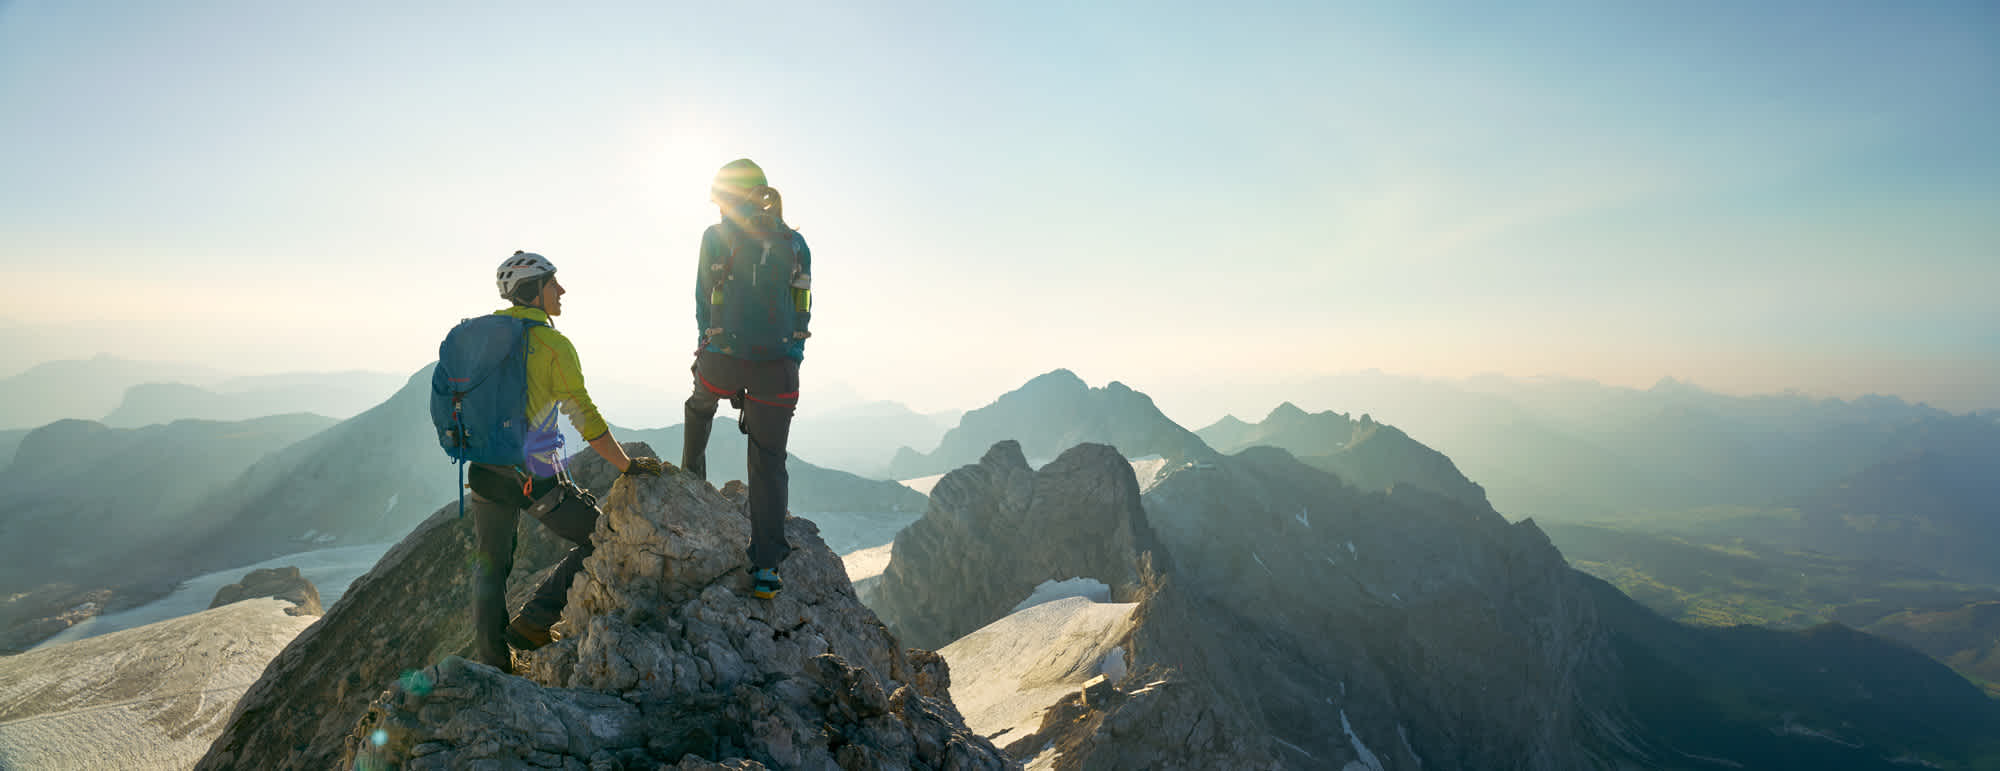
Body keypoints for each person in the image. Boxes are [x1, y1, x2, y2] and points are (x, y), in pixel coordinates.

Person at [466, 250, 664, 671]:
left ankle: (493, 665)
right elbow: (586, 418)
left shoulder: (486, 341)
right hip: (531, 476)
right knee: (602, 537)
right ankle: (534, 622)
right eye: (553, 283)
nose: (562, 290)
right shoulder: (553, 345)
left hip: (484, 472)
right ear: (534, 291)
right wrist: (627, 465)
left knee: (491, 569)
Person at [682, 159, 812, 599]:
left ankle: (689, 482)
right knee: (769, 460)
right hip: (778, 371)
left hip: (722, 363)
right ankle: (767, 568)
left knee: (699, 407)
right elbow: (802, 308)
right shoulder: (795, 242)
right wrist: (791, 356)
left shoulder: (714, 237)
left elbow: (703, 301)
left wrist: (709, 349)